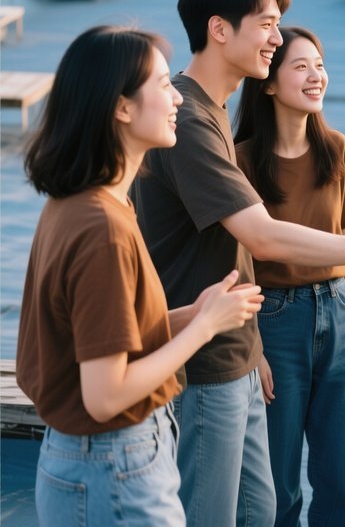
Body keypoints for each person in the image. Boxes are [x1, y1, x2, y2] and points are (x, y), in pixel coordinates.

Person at [131, 0, 345, 527]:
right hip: (206, 362)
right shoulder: (192, 121)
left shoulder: (213, 112)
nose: (276, 38)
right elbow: (262, 238)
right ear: (219, 29)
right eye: (266, 24)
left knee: (265, 508)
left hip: (239, 349)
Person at [16, 26, 264, 526]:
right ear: (122, 107)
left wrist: (184, 316)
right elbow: (105, 395)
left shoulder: (80, 203)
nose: (177, 97)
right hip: (115, 468)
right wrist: (203, 328)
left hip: (88, 461)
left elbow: (96, 339)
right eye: (161, 84)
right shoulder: (103, 228)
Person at [234, 26, 345, 527]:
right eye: (300, 66)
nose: (316, 76)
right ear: (269, 84)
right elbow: (239, 263)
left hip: (338, 312)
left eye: (319, 65)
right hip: (274, 321)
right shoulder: (243, 161)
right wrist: (252, 345)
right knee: (276, 485)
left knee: (343, 481)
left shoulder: (336, 150)